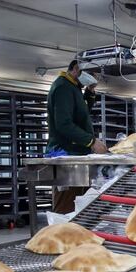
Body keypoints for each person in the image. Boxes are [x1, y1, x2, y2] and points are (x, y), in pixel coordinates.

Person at [46, 60, 107, 213]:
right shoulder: (62, 87)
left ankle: (76, 234)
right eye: (91, 75)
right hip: (66, 153)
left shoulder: (73, 87)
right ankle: (61, 235)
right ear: (76, 68)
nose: (94, 78)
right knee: (67, 206)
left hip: (77, 152)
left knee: (80, 204)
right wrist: (91, 142)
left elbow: (81, 114)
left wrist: (90, 93)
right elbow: (64, 124)